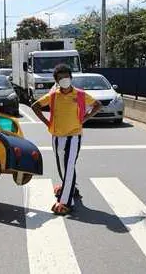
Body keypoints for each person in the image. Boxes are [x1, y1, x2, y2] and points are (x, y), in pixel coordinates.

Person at [31, 64, 102, 215]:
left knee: (69, 166)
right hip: (57, 136)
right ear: (56, 80)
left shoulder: (80, 95)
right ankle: (69, 188)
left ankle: (65, 202)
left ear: (71, 77)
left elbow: (97, 105)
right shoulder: (53, 95)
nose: (64, 80)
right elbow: (35, 106)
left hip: (74, 136)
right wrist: (47, 122)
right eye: (60, 78)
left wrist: (84, 119)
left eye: (66, 77)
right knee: (62, 166)